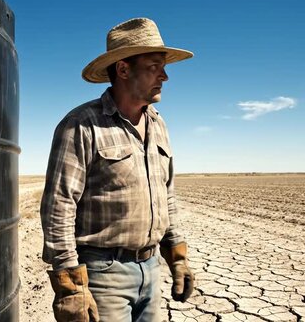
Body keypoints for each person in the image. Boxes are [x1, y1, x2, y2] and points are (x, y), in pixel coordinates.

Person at [40, 17, 195, 322]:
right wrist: (70, 287)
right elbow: (58, 206)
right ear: (123, 69)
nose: (164, 76)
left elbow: (168, 196)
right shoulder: (82, 125)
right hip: (103, 274)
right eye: (154, 66)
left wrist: (177, 256)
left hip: (151, 270)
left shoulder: (158, 124)